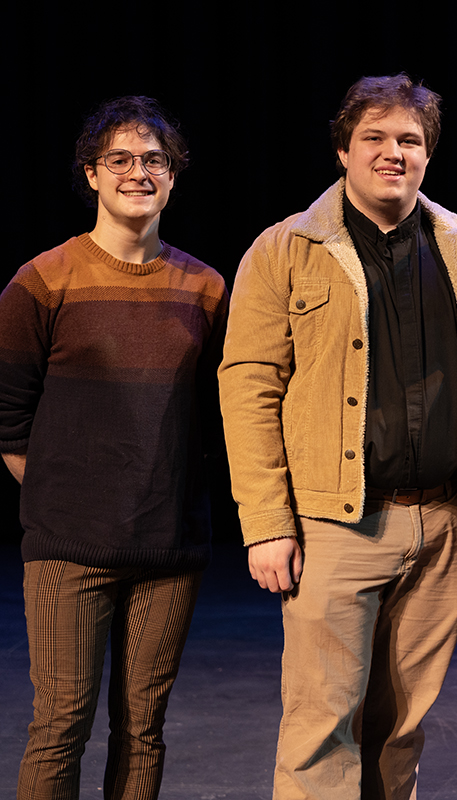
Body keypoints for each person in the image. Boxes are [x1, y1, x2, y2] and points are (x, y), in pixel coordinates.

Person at [218, 74, 457, 799]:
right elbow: (248, 389)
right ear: (343, 149)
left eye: (409, 140)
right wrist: (265, 525)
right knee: (321, 726)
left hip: (445, 523)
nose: (392, 153)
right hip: (334, 524)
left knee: (401, 727)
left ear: (428, 155)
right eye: (374, 138)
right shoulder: (285, 248)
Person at [0, 96, 227, 799]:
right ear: (91, 175)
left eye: (154, 160)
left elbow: (223, 417)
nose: (138, 172)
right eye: (119, 160)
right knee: (61, 722)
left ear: (173, 177)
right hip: (69, 549)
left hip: (168, 548)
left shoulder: (208, 288)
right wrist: (71, 501)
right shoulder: (42, 281)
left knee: (143, 727)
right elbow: (10, 422)